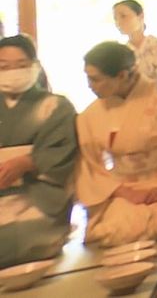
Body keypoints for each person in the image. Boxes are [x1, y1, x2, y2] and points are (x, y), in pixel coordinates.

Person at [75, 41, 157, 247]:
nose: (90, 85)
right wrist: (121, 191)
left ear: (122, 75)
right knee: (116, 229)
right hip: (123, 189)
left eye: (95, 79)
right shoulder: (89, 116)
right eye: (87, 78)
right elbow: (89, 166)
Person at [0, 35, 78, 267]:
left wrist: (27, 162)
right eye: (4, 66)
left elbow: (64, 150)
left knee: (19, 239)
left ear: (35, 66)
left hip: (37, 196)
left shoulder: (55, 105)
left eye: (22, 65)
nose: (13, 71)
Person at [112, 0, 157, 81]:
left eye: (123, 16)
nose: (118, 22)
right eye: (115, 19)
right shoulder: (121, 55)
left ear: (141, 16)